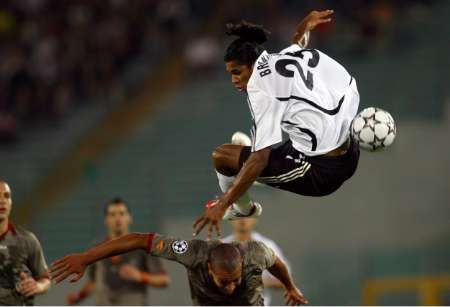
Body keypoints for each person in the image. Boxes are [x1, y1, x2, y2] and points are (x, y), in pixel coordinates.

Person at [193, 10, 360, 238]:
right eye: (230, 74)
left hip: (321, 172)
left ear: (252, 65)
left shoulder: (261, 88)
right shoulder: (281, 58)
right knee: (257, 155)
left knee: (223, 158)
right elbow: (298, 42)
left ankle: (243, 209)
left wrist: (222, 203)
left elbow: (260, 158)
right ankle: (252, 175)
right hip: (349, 148)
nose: (234, 80)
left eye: (237, 72)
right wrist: (306, 25)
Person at [50, 232, 308, 306]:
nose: (230, 288)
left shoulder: (255, 253)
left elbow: (277, 264)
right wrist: (87, 257)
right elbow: (140, 240)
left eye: (235, 280)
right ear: (208, 267)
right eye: (224, 282)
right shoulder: (193, 253)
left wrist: (291, 287)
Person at [66, 198, 170, 306]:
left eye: (122, 213)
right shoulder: (96, 248)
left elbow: (164, 280)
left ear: (130, 218)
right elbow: (95, 281)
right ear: (106, 219)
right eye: (112, 214)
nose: (118, 219)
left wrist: (140, 276)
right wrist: (79, 296)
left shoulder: (142, 246)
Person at [0, 180, 51, 305]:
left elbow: (45, 279)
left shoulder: (27, 240)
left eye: (6, 196)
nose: (2, 201)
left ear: (11, 203)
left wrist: (37, 286)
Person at [223, 217, 291, 305]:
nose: (242, 220)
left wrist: (260, 282)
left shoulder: (267, 246)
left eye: (247, 215)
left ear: (255, 219)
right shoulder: (220, 247)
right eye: (238, 215)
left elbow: (286, 280)